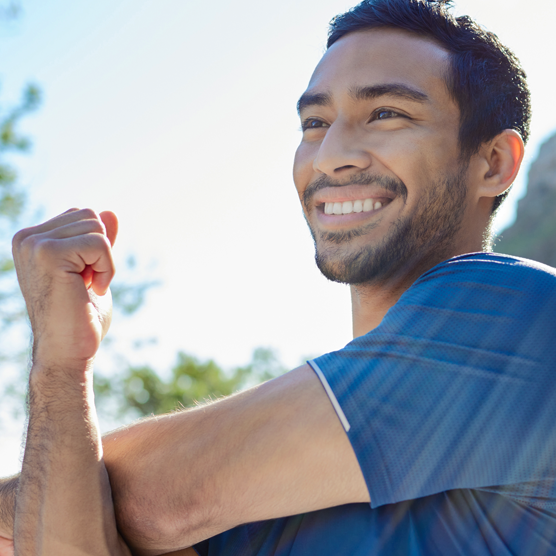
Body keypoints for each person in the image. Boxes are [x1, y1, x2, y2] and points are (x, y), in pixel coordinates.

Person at [2, 0, 556, 553]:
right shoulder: (269, 499)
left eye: (387, 113)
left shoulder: (524, 314)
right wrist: (60, 366)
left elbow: (152, 500)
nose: (330, 156)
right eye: (315, 123)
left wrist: (66, 479)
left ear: (493, 164)